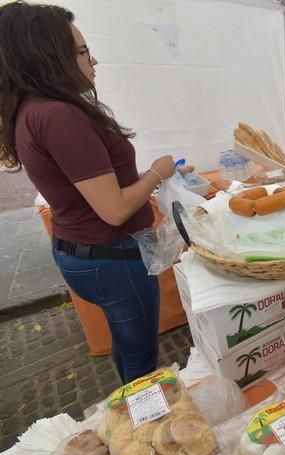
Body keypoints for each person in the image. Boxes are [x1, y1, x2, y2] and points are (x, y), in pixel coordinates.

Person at [0, 2, 178, 384]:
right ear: (49, 56)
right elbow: (113, 210)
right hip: (112, 258)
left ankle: (130, 406)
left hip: (84, 251)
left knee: (127, 342)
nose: (93, 60)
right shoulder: (58, 115)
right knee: (141, 360)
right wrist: (157, 173)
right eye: (82, 52)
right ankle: (143, 430)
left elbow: (92, 186)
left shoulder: (32, 110)